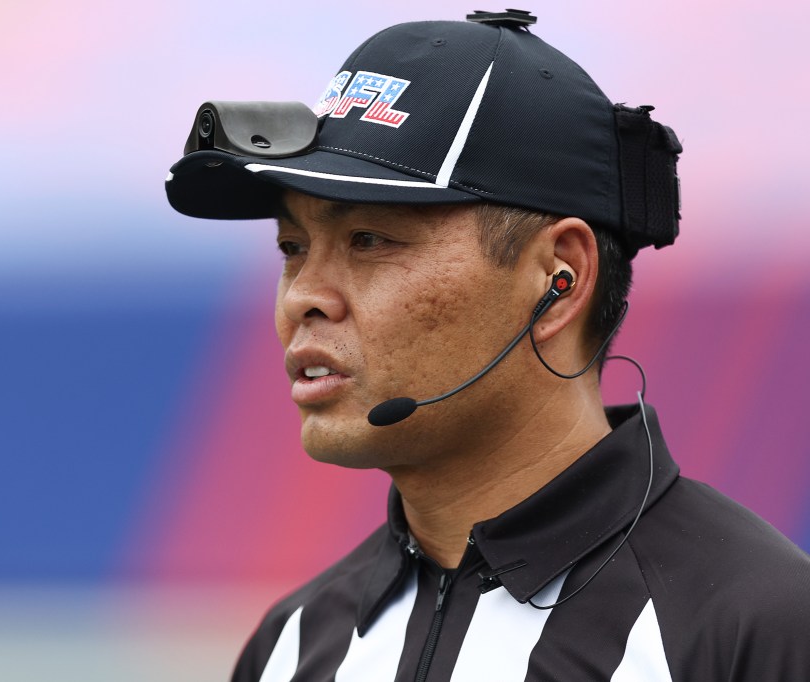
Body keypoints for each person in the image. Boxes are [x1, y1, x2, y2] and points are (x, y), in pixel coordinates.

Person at [165, 10, 810, 681]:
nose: (303, 297)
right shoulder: (291, 646)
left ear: (559, 280)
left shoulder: (758, 629)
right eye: (292, 248)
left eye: (370, 241)